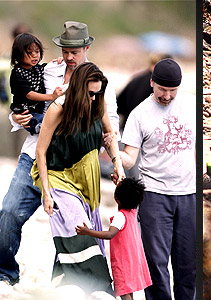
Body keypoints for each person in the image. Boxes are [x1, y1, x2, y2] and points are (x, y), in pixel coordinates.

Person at [0, 21, 119, 287]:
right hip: (35, 154)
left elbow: (109, 124)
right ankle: (5, 272)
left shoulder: (98, 80)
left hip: (72, 165)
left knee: (71, 224)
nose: (69, 56)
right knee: (9, 212)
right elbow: (21, 98)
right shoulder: (48, 70)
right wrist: (15, 117)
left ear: (87, 48)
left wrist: (112, 157)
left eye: (75, 51)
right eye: (65, 50)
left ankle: (65, 280)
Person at [31, 62, 124, 293]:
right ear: (79, 89)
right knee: (81, 231)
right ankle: (100, 288)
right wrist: (46, 194)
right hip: (59, 178)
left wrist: (117, 163)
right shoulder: (58, 108)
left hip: (88, 185)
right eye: (90, 93)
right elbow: (40, 151)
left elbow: (109, 135)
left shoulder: (97, 105)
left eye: (98, 93)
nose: (94, 98)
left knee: (76, 234)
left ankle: (65, 284)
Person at [116, 58, 196, 300]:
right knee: (155, 264)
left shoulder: (192, 104)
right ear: (152, 82)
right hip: (154, 196)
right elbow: (130, 157)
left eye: (172, 90)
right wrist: (115, 155)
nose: (167, 96)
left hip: (189, 195)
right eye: (162, 89)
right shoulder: (139, 114)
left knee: (189, 266)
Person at [76, 177, 152, 300]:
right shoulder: (132, 211)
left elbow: (109, 234)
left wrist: (88, 232)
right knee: (129, 289)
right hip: (134, 259)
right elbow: (128, 195)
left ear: (116, 198)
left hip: (123, 262)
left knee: (123, 291)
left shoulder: (120, 217)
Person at [10, 33, 63, 134]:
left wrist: (58, 61)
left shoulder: (38, 68)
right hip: (26, 111)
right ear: (18, 54)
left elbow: (50, 67)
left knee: (49, 120)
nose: (35, 55)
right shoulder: (17, 73)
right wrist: (51, 96)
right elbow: (29, 94)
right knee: (45, 122)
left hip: (38, 110)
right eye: (29, 53)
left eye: (37, 51)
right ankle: (40, 129)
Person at [117, 53, 171, 130]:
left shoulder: (135, 79)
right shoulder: (160, 85)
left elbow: (119, 106)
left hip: (128, 130)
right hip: (148, 132)